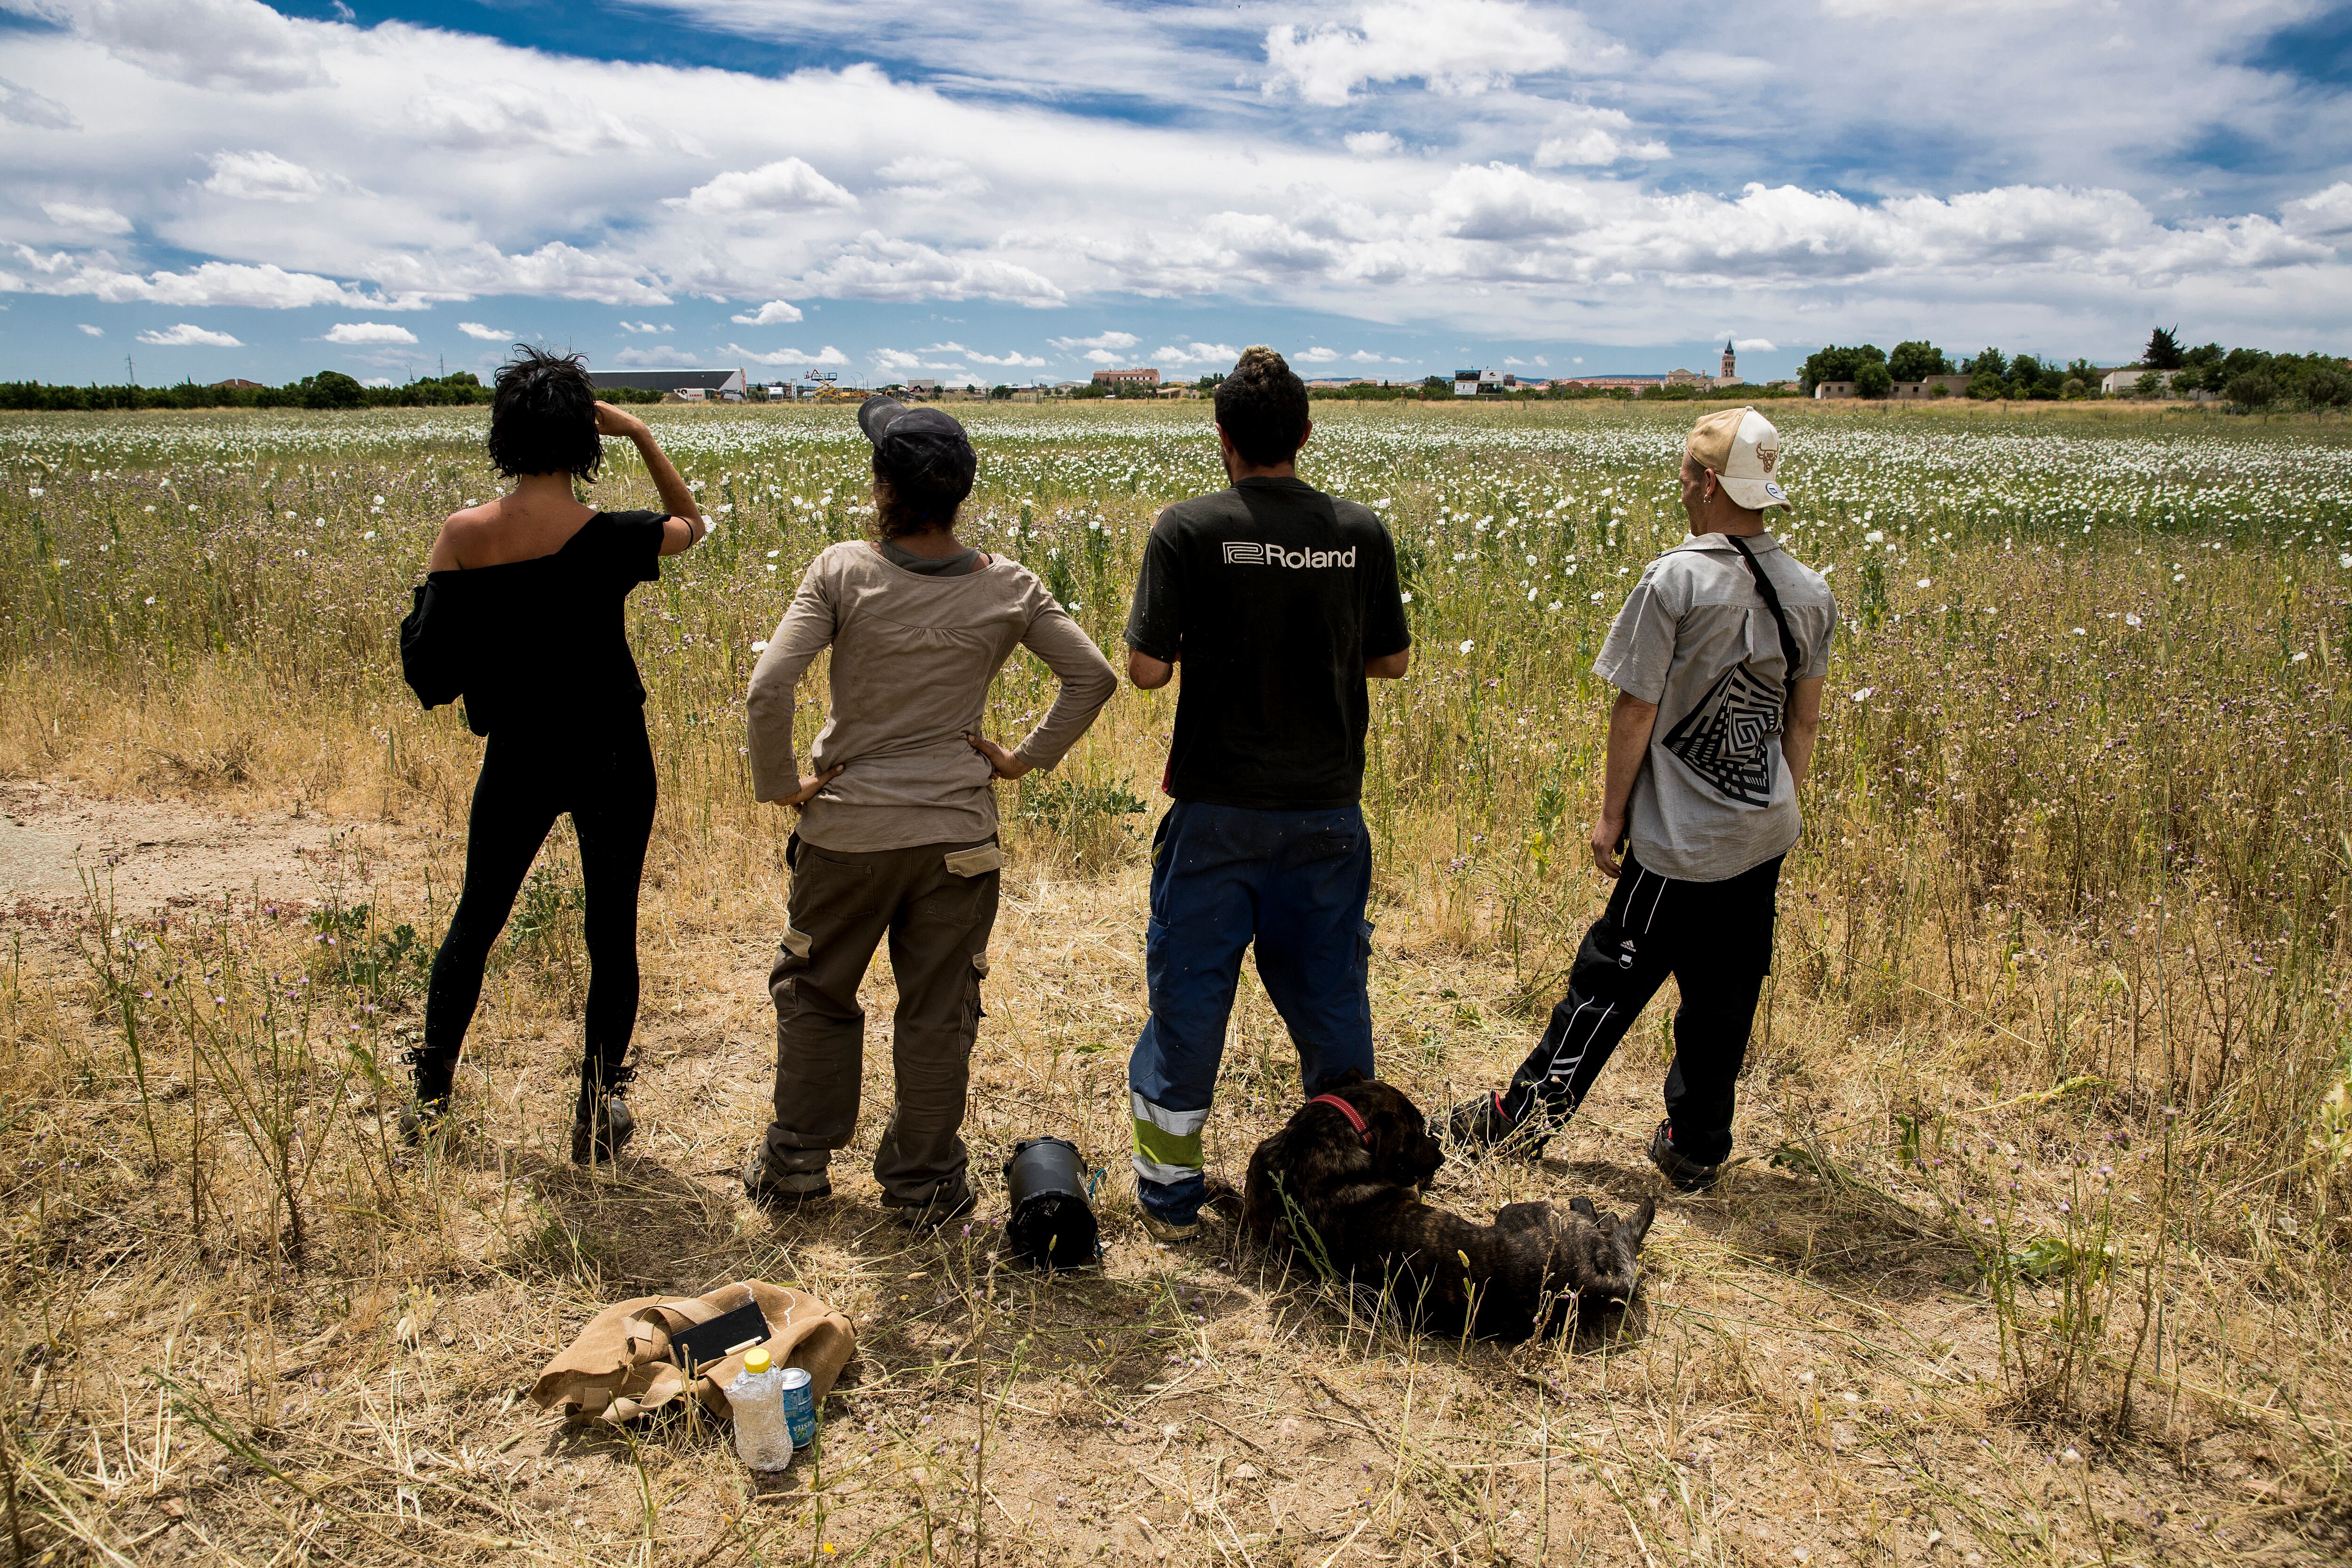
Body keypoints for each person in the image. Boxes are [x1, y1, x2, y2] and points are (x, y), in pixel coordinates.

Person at [741, 396, 1117, 1226]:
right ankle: (925, 1181)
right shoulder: (1009, 585)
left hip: (847, 830)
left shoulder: (842, 570)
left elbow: (771, 688)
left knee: (817, 990)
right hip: (958, 837)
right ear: (960, 494)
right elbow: (1092, 676)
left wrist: (781, 785)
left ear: (883, 487)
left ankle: (798, 1162)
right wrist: (1022, 759)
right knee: (939, 1009)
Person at [1448, 406, 1834, 1191]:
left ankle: (1523, 1117)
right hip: (1761, 835)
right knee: (1725, 997)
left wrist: (1612, 814)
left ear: (1710, 483)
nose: (1683, 484)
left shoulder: (1677, 580)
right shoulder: (1810, 591)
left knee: (1606, 982)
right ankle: (1695, 1144)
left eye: (1690, 473)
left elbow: (1637, 709)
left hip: (1678, 841)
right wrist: (1769, 813)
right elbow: (1803, 720)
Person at [1122, 346, 1414, 1242]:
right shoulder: (1358, 531)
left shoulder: (1186, 528)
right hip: (1326, 811)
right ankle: (1352, 1192)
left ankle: (1170, 1198)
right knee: (1331, 1000)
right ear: (1306, 433)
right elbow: (1393, 659)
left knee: (1190, 1005)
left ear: (1223, 439)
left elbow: (1144, 670)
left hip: (1215, 811)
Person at [397, 347, 705, 1162]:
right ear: (584, 438)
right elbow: (693, 525)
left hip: (519, 751)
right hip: (611, 749)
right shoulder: (612, 537)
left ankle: (430, 1100)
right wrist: (640, 433)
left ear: (505, 434)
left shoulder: (464, 535)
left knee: (477, 919)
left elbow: (427, 665)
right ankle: (596, 1116)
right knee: (611, 932)